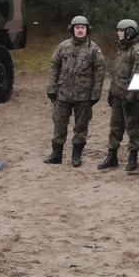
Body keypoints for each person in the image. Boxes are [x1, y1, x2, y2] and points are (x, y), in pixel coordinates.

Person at [44, 15, 105, 167]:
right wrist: (51, 88)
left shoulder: (94, 49)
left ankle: (76, 155)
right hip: (62, 94)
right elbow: (54, 66)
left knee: (81, 126)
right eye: (77, 27)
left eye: (82, 28)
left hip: (83, 96)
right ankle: (56, 154)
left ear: (87, 29)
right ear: (72, 29)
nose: (79, 30)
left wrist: (95, 94)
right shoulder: (63, 46)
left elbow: (100, 72)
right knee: (59, 124)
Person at [98, 19, 139, 171]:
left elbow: (138, 75)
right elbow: (117, 74)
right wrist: (111, 93)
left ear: (129, 32)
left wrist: (131, 97)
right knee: (115, 127)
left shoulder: (137, 51)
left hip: (132, 99)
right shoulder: (122, 49)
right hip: (118, 96)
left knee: (133, 128)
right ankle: (112, 155)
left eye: (121, 30)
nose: (118, 33)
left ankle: (133, 157)